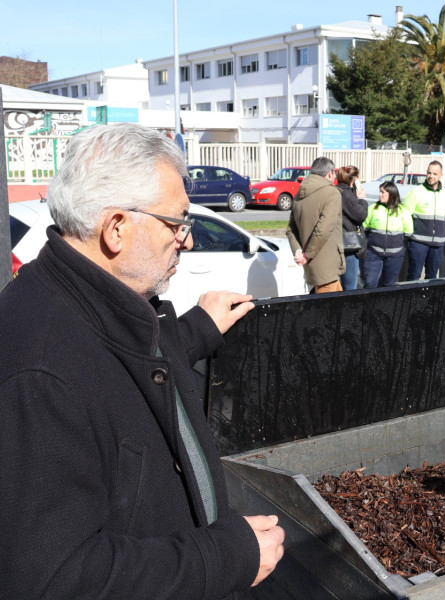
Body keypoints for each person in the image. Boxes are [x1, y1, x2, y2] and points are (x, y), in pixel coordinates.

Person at [0, 123, 284, 599]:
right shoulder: (40, 374)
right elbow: (52, 579)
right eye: (177, 224)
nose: (187, 241)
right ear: (116, 228)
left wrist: (196, 330)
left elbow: (121, 361)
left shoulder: (90, 298)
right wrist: (224, 556)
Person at [286, 156, 345, 293]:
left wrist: (298, 251)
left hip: (312, 267)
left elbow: (290, 229)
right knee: (327, 311)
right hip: (327, 266)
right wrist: (307, 254)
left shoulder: (299, 194)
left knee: (340, 308)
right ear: (330, 173)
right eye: (335, 172)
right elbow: (323, 230)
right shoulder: (331, 193)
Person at [403, 160, 445, 280]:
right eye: (429, 173)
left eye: (435, 174)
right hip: (418, 243)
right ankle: (412, 299)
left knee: (432, 277)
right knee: (414, 276)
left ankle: (429, 299)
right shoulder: (416, 192)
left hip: (438, 244)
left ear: (440, 175)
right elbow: (404, 214)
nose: (431, 176)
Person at [362, 181, 414, 288]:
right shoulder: (372, 208)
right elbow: (364, 228)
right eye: (380, 192)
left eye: (383, 192)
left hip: (395, 256)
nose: (379, 195)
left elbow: (408, 232)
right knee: (370, 284)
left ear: (391, 193)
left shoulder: (403, 211)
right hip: (374, 255)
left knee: (389, 286)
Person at [337, 165, 368, 290]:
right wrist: (362, 199)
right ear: (354, 179)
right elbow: (360, 215)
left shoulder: (338, 190)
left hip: (341, 241)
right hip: (349, 245)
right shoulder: (347, 194)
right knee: (350, 286)